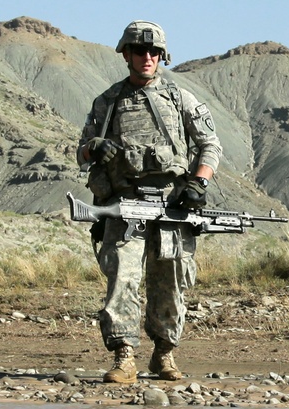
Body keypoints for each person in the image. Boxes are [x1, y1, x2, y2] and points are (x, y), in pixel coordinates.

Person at [77, 21, 222, 383]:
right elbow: (80, 153)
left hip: (173, 206)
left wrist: (198, 183)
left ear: (162, 56)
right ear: (126, 53)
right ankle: (124, 356)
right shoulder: (107, 102)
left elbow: (210, 145)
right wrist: (95, 147)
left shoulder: (180, 99)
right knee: (122, 279)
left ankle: (164, 354)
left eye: (154, 52)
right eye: (140, 51)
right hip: (125, 205)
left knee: (171, 282)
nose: (147, 58)